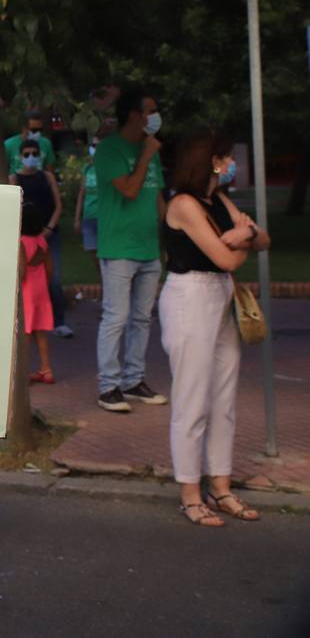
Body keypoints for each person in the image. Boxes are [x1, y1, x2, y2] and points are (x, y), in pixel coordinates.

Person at [159, 129, 270, 526]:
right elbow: (227, 260)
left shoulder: (217, 199)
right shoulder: (184, 204)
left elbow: (262, 240)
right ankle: (190, 493)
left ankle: (221, 487)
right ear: (210, 160)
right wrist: (244, 239)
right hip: (190, 298)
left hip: (221, 298)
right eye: (225, 156)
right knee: (192, 399)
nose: (231, 162)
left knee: (224, 397)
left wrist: (246, 234)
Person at [94, 88, 169, 413]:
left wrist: (172, 236)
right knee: (116, 317)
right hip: (119, 248)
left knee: (142, 319)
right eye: (150, 110)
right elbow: (129, 189)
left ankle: (134, 380)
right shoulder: (110, 150)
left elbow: (157, 197)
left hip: (149, 248)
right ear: (135, 115)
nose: (155, 116)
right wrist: (146, 156)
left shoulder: (151, 151)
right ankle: (108, 386)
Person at [10, 138, 70, 338]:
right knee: (24, 280)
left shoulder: (47, 177)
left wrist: (49, 228)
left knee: (53, 278)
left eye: (34, 154)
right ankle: (25, 323)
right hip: (25, 239)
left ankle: (58, 321)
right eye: (26, 155)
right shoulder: (14, 179)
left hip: (48, 235)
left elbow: (58, 205)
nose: (31, 158)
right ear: (20, 156)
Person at [20, 203, 55, 384]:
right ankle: (46, 369)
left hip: (27, 292)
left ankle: (23, 373)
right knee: (40, 332)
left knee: (25, 333)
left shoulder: (21, 242)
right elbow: (49, 268)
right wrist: (44, 283)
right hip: (41, 289)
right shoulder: (42, 240)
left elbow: (22, 272)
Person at [73, 135, 103, 281]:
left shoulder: (110, 167)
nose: (95, 148)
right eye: (94, 145)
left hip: (105, 217)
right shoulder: (88, 168)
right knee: (93, 252)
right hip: (89, 216)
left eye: (99, 146)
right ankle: (104, 281)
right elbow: (82, 193)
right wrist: (77, 218)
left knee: (106, 255)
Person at [4, 108, 57, 175]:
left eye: (40, 129)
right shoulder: (9, 145)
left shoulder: (46, 143)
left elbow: (50, 171)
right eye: (34, 129)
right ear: (24, 127)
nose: (37, 132)